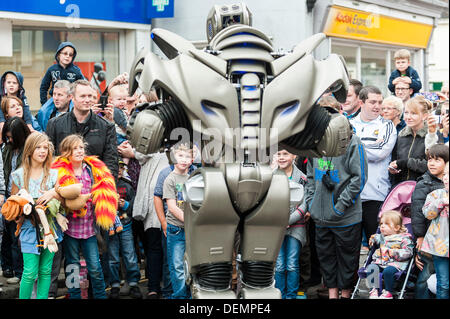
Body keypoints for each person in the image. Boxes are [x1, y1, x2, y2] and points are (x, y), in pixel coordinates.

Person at [299, 104, 368, 299]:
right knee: (326, 260)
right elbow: (311, 177)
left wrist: (340, 207)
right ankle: (332, 295)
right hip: (321, 218)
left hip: (346, 218)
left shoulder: (353, 143)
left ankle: (345, 295)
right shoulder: (313, 143)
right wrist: (312, 203)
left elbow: (359, 179)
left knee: (347, 260)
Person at [51, 134, 118, 299]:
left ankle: (100, 296)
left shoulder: (91, 169)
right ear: (67, 152)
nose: (80, 151)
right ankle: (74, 295)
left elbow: (104, 192)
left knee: (95, 267)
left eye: (81, 147)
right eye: (75, 148)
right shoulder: (60, 173)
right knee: (72, 265)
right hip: (70, 228)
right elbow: (59, 197)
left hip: (89, 228)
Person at [9, 132, 66, 299]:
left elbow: (63, 202)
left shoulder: (53, 174)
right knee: (29, 272)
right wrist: (19, 213)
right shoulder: (18, 175)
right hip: (28, 230)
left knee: (46, 271)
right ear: (29, 150)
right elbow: (12, 205)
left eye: (45, 148)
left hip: (51, 229)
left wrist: (53, 195)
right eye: (38, 147)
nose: (43, 151)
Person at [350, 86, 397, 247]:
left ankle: (373, 274)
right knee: (350, 248)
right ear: (361, 102)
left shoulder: (387, 125)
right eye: (372, 102)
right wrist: (368, 146)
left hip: (376, 196)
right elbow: (339, 152)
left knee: (376, 248)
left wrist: (353, 146)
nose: (377, 106)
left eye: (380, 102)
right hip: (351, 196)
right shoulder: (348, 123)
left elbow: (380, 153)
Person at [46, 80, 118, 178]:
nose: (88, 100)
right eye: (83, 96)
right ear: (72, 97)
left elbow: (111, 162)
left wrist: (105, 186)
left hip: (96, 185)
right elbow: (49, 157)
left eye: (90, 96)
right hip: (63, 184)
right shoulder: (55, 124)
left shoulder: (106, 126)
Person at [410, 143, 448, 298]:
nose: (431, 163)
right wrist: (419, 236)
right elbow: (418, 213)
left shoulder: (443, 183)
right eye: (429, 159)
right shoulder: (424, 183)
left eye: (437, 160)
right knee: (425, 276)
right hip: (431, 239)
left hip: (444, 240)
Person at [271, 148, 307, 299]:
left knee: (292, 263)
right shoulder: (270, 177)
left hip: (296, 227)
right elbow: (267, 201)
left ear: (294, 156)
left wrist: (288, 220)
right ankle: (280, 294)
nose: (281, 157)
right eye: (279, 154)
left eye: (285, 154)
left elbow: (304, 204)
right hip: (276, 227)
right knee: (279, 265)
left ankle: (291, 296)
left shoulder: (302, 178)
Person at [1, 117, 31, 284]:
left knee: (16, 236)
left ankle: (20, 272)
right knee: (7, 235)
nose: (10, 140)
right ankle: (8, 266)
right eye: (8, 137)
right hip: (6, 195)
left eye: (12, 137)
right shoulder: (6, 148)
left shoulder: (28, 149)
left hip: (21, 196)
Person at [107, 160, 142, 299]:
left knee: (130, 256)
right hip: (110, 227)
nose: (118, 170)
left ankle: (133, 283)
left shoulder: (127, 186)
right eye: (116, 167)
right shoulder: (105, 186)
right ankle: (114, 285)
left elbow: (135, 206)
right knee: (112, 258)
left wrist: (125, 204)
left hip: (126, 225)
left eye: (121, 167)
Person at [163, 142, 194, 299]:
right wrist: (190, 222)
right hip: (177, 229)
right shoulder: (170, 179)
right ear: (174, 157)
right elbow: (173, 208)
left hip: (193, 230)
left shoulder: (194, 178)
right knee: (177, 266)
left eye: (187, 156)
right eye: (180, 156)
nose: (183, 159)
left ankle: (191, 295)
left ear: (192, 160)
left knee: (192, 265)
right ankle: (180, 296)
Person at [367, 210, 414, 299]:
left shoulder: (404, 238)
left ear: (396, 228)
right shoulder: (381, 237)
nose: (382, 226)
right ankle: (374, 290)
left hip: (395, 264)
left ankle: (388, 292)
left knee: (388, 271)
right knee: (371, 268)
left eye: (386, 224)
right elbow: (375, 237)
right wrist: (372, 239)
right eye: (381, 224)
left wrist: (394, 252)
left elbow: (408, 252)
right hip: (380, 261)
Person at [389, 95, 433, 187]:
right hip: (401, 189)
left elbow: (431, 165)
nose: (408, 117)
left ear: (424, 116)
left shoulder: (432, 136)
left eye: (413, 113)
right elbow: (395, 160)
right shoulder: (401, 135)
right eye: (406, 112)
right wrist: (393, 168)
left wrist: (406, 162)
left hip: (424, 189)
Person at [421, 161, 449, 299]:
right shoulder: (436, 194)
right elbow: (427, 213)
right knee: (443, 284)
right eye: (445, 174)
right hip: (440, 248)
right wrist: (441, 202)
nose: (446, 178)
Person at [39, 42, 85, 106]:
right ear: (59, 54)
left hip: (71, 102)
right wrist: (44, 103)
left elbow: (83, 86)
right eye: (65, 53)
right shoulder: (52, 69)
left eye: (70, 55)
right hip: (54, 100)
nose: (67, 56)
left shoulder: (76, 70)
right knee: (43, 112)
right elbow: (43, 87)